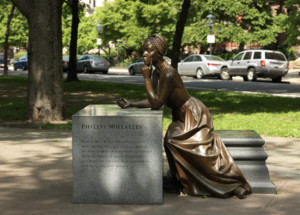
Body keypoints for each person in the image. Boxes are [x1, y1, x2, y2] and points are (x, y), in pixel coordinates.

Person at [117, 34, 251, 199]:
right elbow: (155, 99)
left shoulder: (168, 74)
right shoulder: (156, 72)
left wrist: (145, 78)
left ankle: (231, 184)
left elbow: (157, 103)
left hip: (192, 114)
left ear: (159, 52)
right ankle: (180, 179)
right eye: (143, 50)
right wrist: (132, 103)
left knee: (193, 147)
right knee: (170, 141)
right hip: (180, 116)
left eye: (149, 50)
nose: (144, 54)